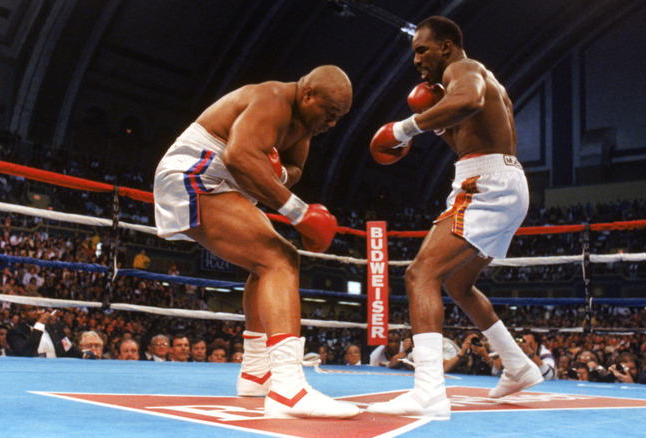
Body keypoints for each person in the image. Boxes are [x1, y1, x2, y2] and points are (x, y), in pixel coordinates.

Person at [153, 65, 357, 418]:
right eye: (330, 113)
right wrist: (300, 214)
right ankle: (289, 388)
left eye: (339, 118)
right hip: (195, 170)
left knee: (266, 265)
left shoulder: (304, 128)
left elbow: (292, 172)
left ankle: (256, 371)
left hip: (221, 180)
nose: (332, 124)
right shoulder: (273, 99)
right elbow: (239, 156)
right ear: (308, 95)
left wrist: (278, 171)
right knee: (280, 258)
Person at [367, 16, 541, 418]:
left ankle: (429, 389)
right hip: (500, 179)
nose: (416, 60)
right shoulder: (461, 83)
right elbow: (465, 135)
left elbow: (469, 101)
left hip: (486, 183)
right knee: (459, 283)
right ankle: (518, 366)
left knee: (419, 275)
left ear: (445, 46)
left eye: (422, 50)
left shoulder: (464, 69)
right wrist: (433, 125)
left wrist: (405, 129)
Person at [7, 306, 81, 358]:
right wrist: (39, 324)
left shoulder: (54, 327)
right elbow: (26, 354)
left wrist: (83, 355)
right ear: (23, 314)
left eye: (41, 308)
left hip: (58, 372)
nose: (38, 312)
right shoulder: (15, 332)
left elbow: (68, 348)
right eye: (33, 309)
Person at [491, 331, 556, 381]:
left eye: (526, 342)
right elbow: (495, 373)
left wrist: (530, 354)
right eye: (521, 341)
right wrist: (504, 353)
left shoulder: (545, 354)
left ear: (536, 344)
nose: (522, 345)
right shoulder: (515, 351)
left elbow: (549, 376)